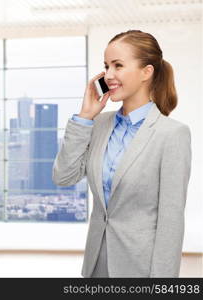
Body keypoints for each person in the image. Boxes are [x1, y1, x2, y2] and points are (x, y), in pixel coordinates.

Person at [52, 30, 192, 277]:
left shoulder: (171, 134)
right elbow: (64, 176)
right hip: (96, 266)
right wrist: (85, 117)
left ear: (146, 72)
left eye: (118, 65)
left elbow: (171, 221)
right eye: (106, 66)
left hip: (140, 269)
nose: (108, 75)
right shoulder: (98, 125)